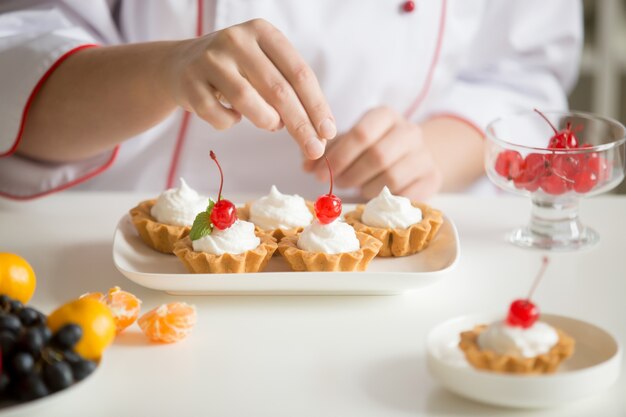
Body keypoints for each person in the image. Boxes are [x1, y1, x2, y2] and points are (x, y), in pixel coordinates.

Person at [0, 1, 582, 201]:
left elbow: (519, 78)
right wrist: (163, 69)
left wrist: (426, 153)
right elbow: (18, 58)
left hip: (381, 264)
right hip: (136, 256)